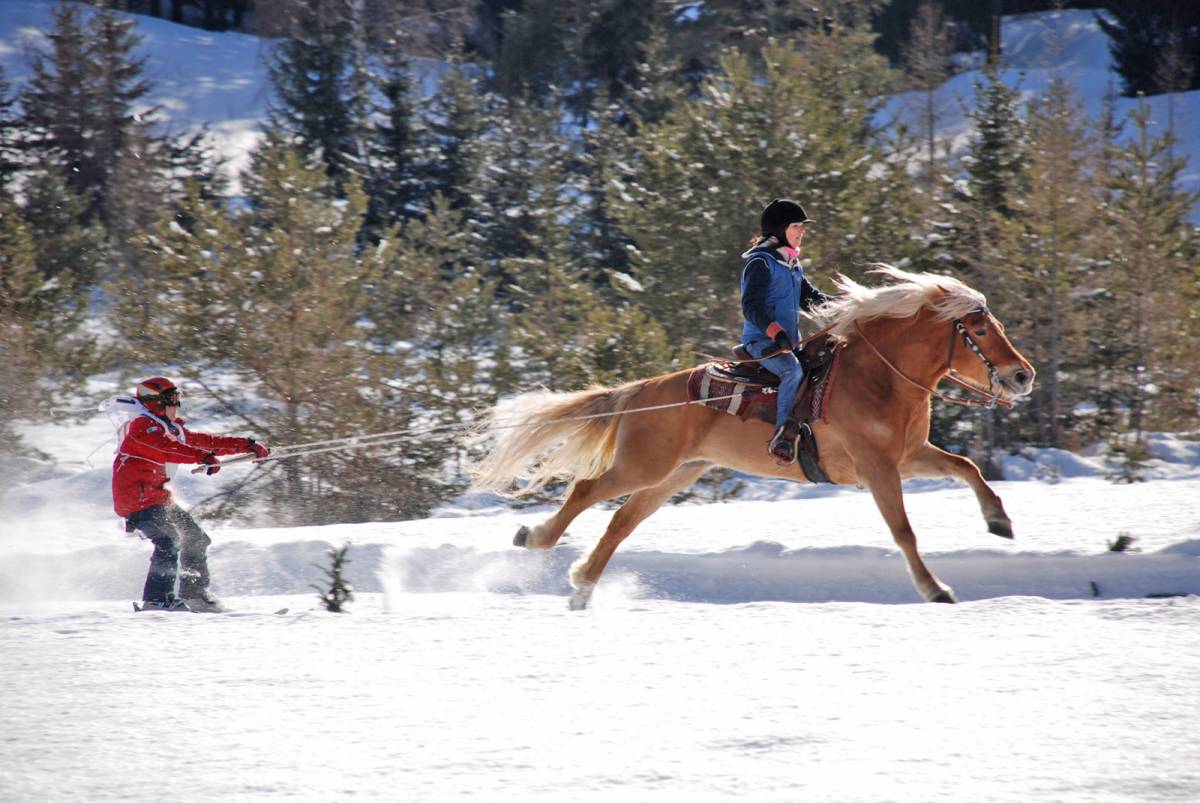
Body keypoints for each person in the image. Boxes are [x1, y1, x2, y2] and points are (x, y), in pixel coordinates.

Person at [113, 376, 269, 612]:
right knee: (168, 540)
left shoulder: (169, 427)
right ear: (156, 402)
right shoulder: (143, 426)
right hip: (138, 500)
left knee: (195, 538)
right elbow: (166, 447)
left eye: (178, 400)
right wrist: (202, 457)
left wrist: (247, 445)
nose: (177, 406)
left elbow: (206, 441)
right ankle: (157, 600)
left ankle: (194, 595)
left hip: (159, 499)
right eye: (172, 400)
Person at [739, 199, 829, 464]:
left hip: (789, 343)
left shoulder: (791, 264)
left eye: (802, 226)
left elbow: (811, 298)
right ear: (779, 230)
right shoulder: (761, 263)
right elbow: (751, 306)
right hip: (761, 342)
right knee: (792, 371)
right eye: (796, 226)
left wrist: (849, 307)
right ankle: (782, 438)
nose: (801, 231)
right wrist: (775, 332)